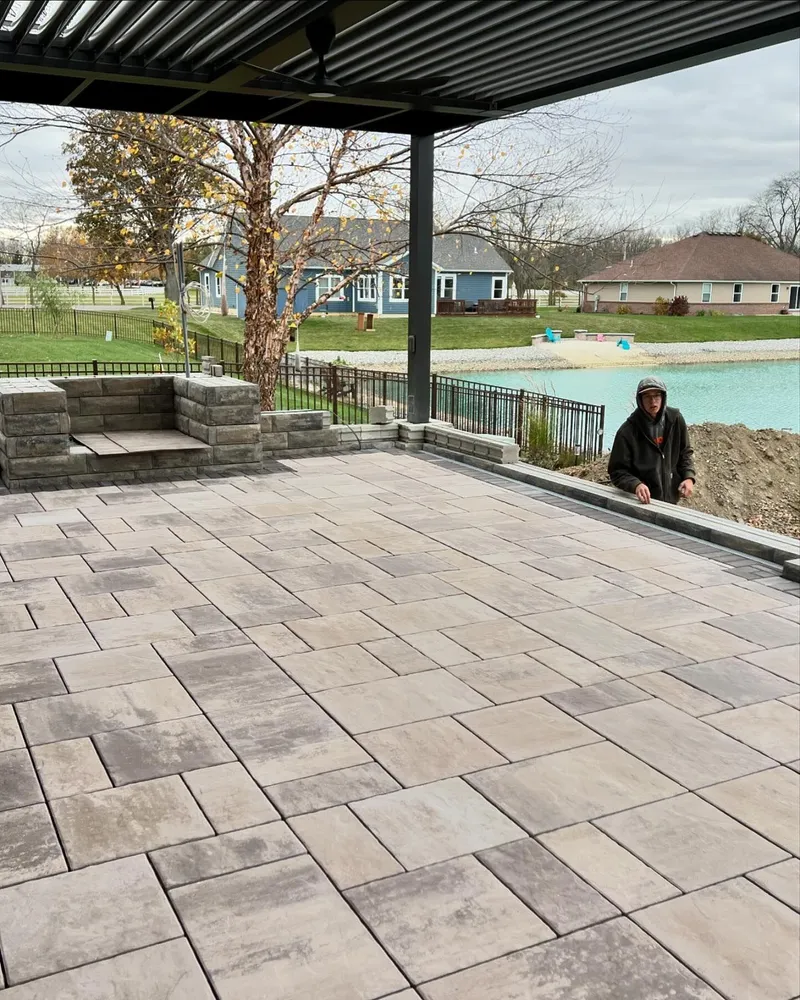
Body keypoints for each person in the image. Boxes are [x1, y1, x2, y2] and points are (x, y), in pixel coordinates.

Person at [608, 376, 696, 505]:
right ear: (640, 400)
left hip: (671, 499)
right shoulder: (627, 431)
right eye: (647, 397)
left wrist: (689, 477)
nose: (652, 401)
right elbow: (617, 471)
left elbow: (685, 453)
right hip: (641, 501)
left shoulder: (675, 420)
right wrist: (636, 485)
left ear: (663, 397)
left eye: (657, 396)